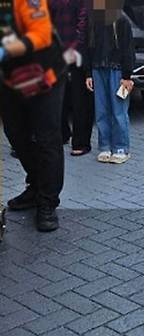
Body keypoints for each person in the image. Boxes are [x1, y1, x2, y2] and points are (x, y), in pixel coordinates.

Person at [0, 0, 67, 232]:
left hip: (43, 75)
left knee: (47, 137)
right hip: (11, 78)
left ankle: (47, 202)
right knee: (16, 134)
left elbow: (41, 35)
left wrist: (5, 50)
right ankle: (37, 183)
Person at [84, 0, 135, 164]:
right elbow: (87, 48)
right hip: (98, 69)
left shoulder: (122, 21)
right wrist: (88, 73)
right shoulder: (92, 20)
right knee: (102, 111)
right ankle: (105, 146)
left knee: (118, 111)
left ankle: (121, 148)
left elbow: (128, 50)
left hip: (117, 70)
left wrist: (127, 76)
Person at [49, 0, 95, 156]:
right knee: (59, 97)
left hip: (79, 53)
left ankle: (81, 141)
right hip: (59, 52)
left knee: (80, 99)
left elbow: (84, 24)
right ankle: (63, 133)